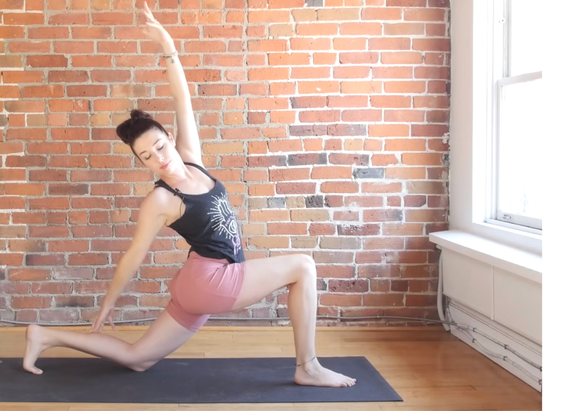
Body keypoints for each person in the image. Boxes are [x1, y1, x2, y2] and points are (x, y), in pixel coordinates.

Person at [22, 1, 356, 388]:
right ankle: (308, 366)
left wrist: (166, 43)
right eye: (146, 157)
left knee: (138, 359)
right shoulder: (160, 200)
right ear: (141, 161)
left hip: (198, 279)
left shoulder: (192, 161)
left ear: (169, 139)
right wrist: (108, 304)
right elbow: (133, 258)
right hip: (210, 281)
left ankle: (44, 336)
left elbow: (183, 100)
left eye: (160, 147)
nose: (158, 159)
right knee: (304, 266)